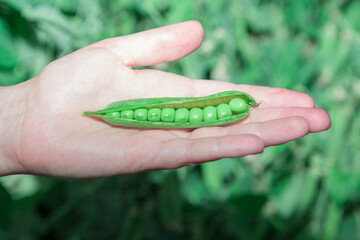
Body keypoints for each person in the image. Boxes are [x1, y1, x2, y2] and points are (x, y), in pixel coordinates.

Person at [0, 21, 331, 178]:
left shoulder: (237, 104)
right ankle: (93, 113)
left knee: (173, 113)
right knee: (154, 113)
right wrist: (21, 117)